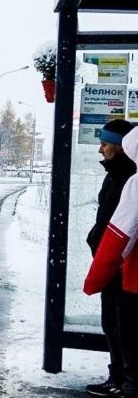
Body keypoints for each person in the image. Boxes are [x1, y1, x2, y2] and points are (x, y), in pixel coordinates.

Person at [84, 121, 138, 397]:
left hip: (123, 265)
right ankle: (117, 375)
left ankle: (126, 380)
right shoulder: (114, 175)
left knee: (122, 326)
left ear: (120, 146)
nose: (100, 148)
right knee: (112, 323)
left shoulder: (130, 178)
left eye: (105, 143)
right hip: (111, 263)